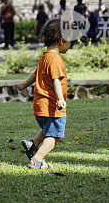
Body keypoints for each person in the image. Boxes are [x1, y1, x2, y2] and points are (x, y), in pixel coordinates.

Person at [15, 19, 70, 170]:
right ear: (61, 41)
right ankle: (37, 159)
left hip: (40, 105)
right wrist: (60, 99)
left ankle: (32, 143)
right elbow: (56, 80)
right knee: (55, 136)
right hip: (52, 104)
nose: (70, 45)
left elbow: (35, 74)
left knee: (48, 129)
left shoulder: (45, 57)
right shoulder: (56, 60)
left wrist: (24, 85)